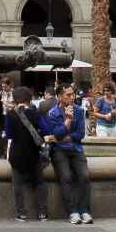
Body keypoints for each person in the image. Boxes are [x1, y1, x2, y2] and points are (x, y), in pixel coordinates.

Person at [42, 85, 94, 224]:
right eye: (68, 95)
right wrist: (68, 120)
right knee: (66, 177)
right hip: (59, 150)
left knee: (84, 176)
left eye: (73, 95)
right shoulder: (53, 113)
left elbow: (80, 134)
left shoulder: (79, 110)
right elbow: (57, 135)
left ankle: (84, 210)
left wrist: (64, 136)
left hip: (76, 149)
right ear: (59, 96)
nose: (72, 97)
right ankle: (72, 211)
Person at [2, 86, 49, 221]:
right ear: (30, 99)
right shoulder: (35, 113)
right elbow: (46, 130)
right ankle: (42, 212)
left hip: (17, 154)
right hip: (34, 153)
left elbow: (9, 135)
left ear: (15, 100)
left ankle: (21, 212)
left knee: (18, 184)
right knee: (39, 183)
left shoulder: (11, 114)